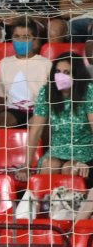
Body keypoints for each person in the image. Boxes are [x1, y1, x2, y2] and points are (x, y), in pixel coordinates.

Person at [26, 52, 93, 182]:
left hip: (85, 152)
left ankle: (68, 202)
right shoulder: (46, 92)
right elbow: (36, 131)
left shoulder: (89, 91)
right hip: (56, 151)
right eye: (58, 71)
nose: (61, 76)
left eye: (67, 72)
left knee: (70, 168)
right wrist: (26, 165)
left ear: (77, 75)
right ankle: (44, 201)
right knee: (50, 165)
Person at [0, 18, 53, 126]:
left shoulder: (46, 63)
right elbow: (0, 97)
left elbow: (53, 97)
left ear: (34, 39)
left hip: (39, 110)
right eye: (17, 37)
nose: (21, 41)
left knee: (35, 124)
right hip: (14, 111)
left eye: (26, 37)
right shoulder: (5, 63)